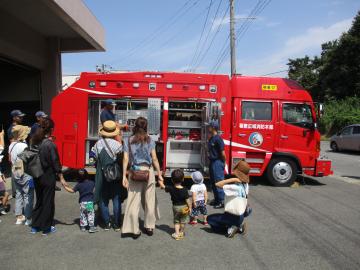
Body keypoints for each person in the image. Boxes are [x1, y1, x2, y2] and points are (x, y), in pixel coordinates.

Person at [122, 117, 162, 239]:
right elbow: (154, 158)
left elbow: (125, 159)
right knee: (150, 200)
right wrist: (159, 174)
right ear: (146, 127)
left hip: (134, 172)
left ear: (135, 126)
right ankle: (149, 226)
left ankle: (134, 230)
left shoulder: (128, 140)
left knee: (134, 201)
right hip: (148, 172)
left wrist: (124, 175)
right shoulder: (150, 140)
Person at [30, 118, 67, 235]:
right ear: (51, 129)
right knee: (48, 201)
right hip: (47, 175)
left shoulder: (34, 141)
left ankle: (35, 226)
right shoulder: (50, 144)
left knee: (39, 200)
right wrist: (61, 177)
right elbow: (56, 162)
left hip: (36, 174)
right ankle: (46, 228)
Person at [207, 160, 251, 238]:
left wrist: (233, 179)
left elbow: (218, 184)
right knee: (223, 217)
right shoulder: (246, 185)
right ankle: (239, 226)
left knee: (210, 219)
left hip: (233, 214)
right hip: (242, 212)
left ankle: (231, 227)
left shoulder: (235, 187)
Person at [93, 120, 123, 232]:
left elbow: (94, 159)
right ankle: (117, 224)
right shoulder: (118, 145)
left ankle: (106, 223)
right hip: (114, 175)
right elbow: (121, 160)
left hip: (101, 175)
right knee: (116, 199)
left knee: (103, 199)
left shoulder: (97, 144)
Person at [8, 125, 34, 225]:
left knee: (19, 193)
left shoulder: (12, 145)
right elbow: (29, 160)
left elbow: (10, 159)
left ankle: (19, 217)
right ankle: (28, 218)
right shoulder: (24, 146)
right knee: (28, 194)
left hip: (15, 169)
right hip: (25, 171)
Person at [158, 169, 191, 240]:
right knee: (183, 220)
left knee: (176, 221)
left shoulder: (171, 188)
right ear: (183, 179)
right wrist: (190, 207)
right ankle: (181, 232)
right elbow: (188, 200)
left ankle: (176, 233)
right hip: (184, 207)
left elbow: (162, 186)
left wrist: (160, 178)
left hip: (176, 207)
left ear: (172, 180)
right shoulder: (185, 189)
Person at [62, 169, 98, 233]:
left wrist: (65, 187)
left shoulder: (79, 185)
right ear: (87, 175)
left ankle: (83, 227)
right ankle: (91, 227)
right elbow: (95, 189)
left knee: (83, 214)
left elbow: (72, 191)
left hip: (82, 202)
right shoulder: (92, 183)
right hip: (90, 202)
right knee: (90, 214)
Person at [208, 121, 226, 209]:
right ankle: (216, 199)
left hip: (217, 162)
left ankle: (221, 201)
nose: (208, 128)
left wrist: (223, 162)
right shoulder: (211, 138)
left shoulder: (218, 139)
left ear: (213, 128)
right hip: (212, 162)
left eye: (210, 126)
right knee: (213, 182)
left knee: (218, 182)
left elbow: (223, 153)